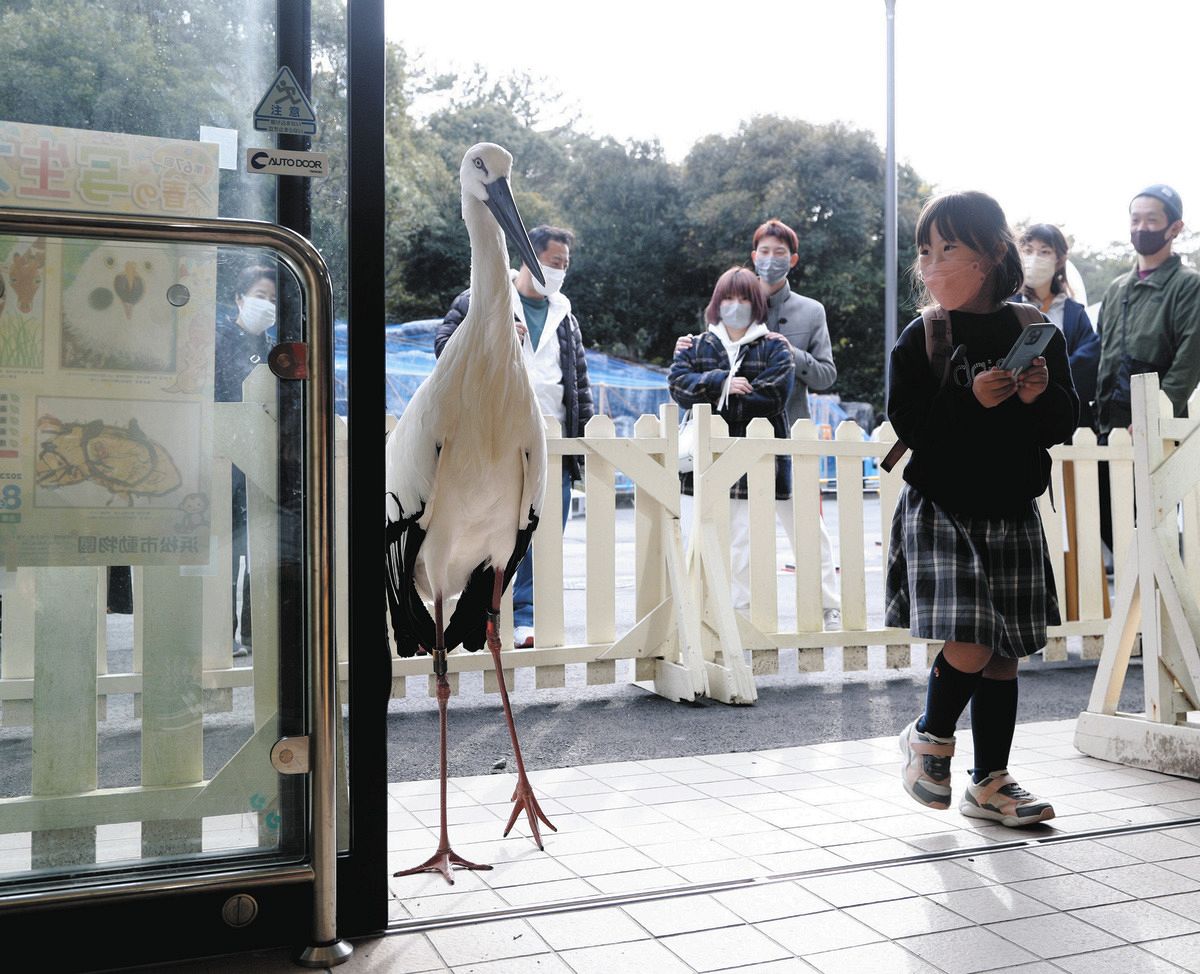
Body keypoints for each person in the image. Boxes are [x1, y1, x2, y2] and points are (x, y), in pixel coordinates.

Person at [887, 191, 1077, 827]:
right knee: (971, 639)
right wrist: (973, 400)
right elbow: (911, 422)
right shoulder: (924, 335)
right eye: (925, 250)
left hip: (1011, 507)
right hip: (943, 506)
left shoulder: (1032, 331)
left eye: (950, 248)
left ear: (993, 252)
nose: (934, 262)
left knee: (1002, 653)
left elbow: (1062, 424)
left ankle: (990, 783)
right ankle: (929, 737)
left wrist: (1036, 394)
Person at [676, 219, 842, 628]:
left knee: (807, 527)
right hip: (731, 439)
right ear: (753, 256)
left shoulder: (810, 310)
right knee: (740, 535)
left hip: (790, 432)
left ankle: (827, 604)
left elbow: (826, 375)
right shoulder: (728, 305)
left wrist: (791, 353)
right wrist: (692, 347)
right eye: (763, 252)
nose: (770, 260)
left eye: (779, 253)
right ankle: (737, 612)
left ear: (792, 259)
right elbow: (703, 368)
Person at [435, 225, 592, 649]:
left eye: (564, 265)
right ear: (528, 257)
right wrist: (491, 337)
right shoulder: (480, 296)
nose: (558, 272)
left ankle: (526, 617)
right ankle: (472, 615)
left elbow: (578, 385)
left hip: (551, 443)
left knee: (541, 536)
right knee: (484, 530)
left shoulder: (566, 317)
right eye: (553, 262)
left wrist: (581, 451)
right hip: (492, 439)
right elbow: (444, 347)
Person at [670, 267, 794, 608]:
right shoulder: (695, 344)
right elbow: (678, 388)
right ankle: (696, 619)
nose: (735, 305)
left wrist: (709, 398)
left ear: (756, 303)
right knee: (693, 544)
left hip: (751, 467)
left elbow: (772, 398)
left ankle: (740, 625)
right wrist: (721, 382)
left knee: (743, 550)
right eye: (728, 297)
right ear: (716, 302)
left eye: (743, 298)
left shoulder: (775, 346)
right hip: (700, 465)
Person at [1093, 185, 1200, 552]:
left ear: (1174, 227)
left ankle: (1169, 604)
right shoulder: (1116, 288)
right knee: (1111, 520)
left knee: (1157, 526)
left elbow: (1190, 357)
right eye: (1135, 219)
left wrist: (1156, 410)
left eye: (1152, 219)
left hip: (1156, 428)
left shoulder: (1188, 285)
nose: (1141, 227)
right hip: (1110, 423)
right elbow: (1101, 352)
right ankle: (1137, 603)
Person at [215, 263, 277, 658]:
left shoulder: (274, 348)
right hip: (223, 458)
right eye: (259, 295)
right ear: (238, 298)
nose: (266, 305)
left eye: (272, 299)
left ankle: (256, 633)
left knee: (260, 544)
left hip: (260, 457)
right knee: (227, 548)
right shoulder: (218, 340)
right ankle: (223, 634)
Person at [1013, 224, 1100, 429]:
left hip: (1063, 417)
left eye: (1044, 251)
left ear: (1059, 259)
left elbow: (1089, 358)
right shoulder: (1007, 306)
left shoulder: (1074, 313)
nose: (1034, 257)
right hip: (1017, 413)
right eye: (1028, 250)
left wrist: (1047, 377)